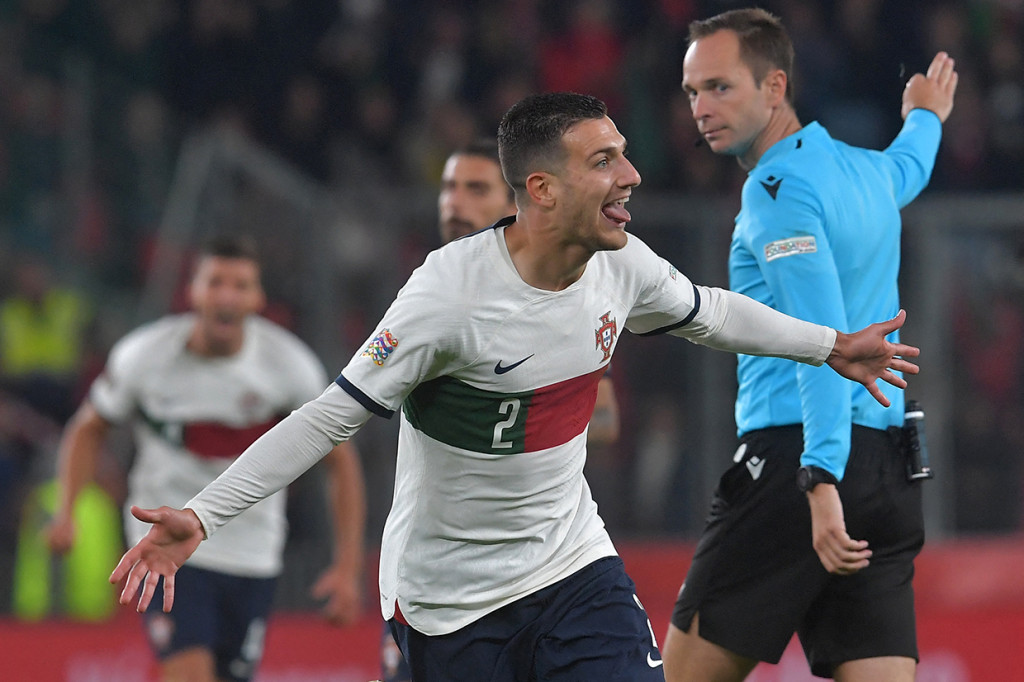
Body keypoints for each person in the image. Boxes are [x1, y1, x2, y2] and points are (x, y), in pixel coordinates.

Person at [110, 92, 920, 682]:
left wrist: (831, 347)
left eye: (624, 154)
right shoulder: (447, 297)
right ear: (541, 191)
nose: (632, 175)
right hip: (448, 599)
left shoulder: (621, 265)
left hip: (570, 566)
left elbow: (710, 314)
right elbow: (328, 418)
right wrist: (204, 515)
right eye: (604, 162)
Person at [662, 9, 958, 682]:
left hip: (799, 462)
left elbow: (827, 344)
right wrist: (927, 115)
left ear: (774, 88)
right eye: (691, 92)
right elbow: (908, 169)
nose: (700, 108)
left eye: (719, 87)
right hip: (888, 468)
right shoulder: (864, 171)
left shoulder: (775, 192)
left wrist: (820, 478)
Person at [48, 235, 367, 682]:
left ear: (257, 299)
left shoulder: (289, 365)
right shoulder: (145, 355)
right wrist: (67, 512)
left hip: (253, 551)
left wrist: (348, 565)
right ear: (193, 292)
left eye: (240, 285)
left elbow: (340, 461)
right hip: (165, 547)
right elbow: (88, 428)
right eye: (215, 282)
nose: (226, 296)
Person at [381, 136, 622, 682]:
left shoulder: (561, 299)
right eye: (447, 187)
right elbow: (341, 409)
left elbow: (604, 417)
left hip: (542, 564)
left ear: (517, 201)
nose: (453, 202)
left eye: (474, 188)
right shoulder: (432, 291)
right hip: (434, 579)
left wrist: (521, 430)